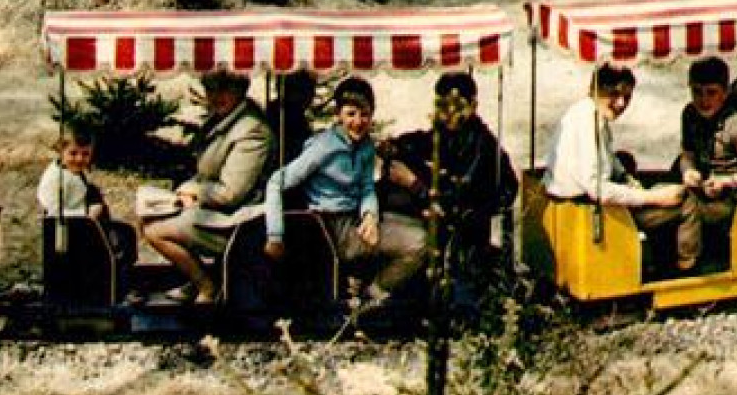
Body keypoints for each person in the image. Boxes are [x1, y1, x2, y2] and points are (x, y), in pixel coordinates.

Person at [265, 77, 427, 304]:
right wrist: (275, 235)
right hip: (331, 231)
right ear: (339, 115)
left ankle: (369, 295)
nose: (358, 122)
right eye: (351, 114)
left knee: (418, 226)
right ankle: (372, 297)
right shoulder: (323, 146)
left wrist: (369, 216)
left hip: (354, 222)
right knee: (419, 242)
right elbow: (276, 182)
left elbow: (366, 188)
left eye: (365, 115)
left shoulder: (366, 146)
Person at [543, 64, 697, 272]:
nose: (621, 103)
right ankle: (685, 268)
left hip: (576, 204)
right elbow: (597, 189)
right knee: (687, 203)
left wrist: (627, 177)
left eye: (627, 96)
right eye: (613, 94)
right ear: (595, 89)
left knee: (629, 162)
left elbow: (609, 159)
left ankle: (655, 259)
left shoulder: (588, 113)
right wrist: (654, 197)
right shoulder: (587, 123)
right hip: (591, 210)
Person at [139, 70, 272, 304]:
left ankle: (207, 286)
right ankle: (199, 277)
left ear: (240, 89)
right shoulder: (222, 119)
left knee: (154, 230)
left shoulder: (252, 130)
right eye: (211, 89)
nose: (216, 95)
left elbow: (232, 192)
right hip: (216, 209)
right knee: (147, 215)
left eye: (224, 88)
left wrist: (194, 192)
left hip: (241, 220)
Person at [380, 72, 518, 262]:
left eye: (458, 106)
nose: (450, 113)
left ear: (473, 106)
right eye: (444, 106)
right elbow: (423, 141)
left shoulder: (482, 147)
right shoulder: (450, 134)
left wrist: (413, 183)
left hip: (464, 243)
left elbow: (455, 200)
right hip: (443, 225)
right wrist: (396, 146)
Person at [677, 57, 737, 267]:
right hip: (705, 188)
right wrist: (688, 170)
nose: (703, 100)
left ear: (725, 92)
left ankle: (689, 266)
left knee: (683, 211)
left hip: (736, 199)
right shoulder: (690, 114)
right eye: (697, 92)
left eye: (711, 92)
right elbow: (687, 152)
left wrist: (727, 181)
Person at [37, 124, 137, 264]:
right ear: (61, 151)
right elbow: (53, 215)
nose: (79, 159)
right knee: (119, 242)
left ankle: (116, 269)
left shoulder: (72, 170)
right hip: (68, 230)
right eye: (73, 153)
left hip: (84, 220)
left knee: (127, 234)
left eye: (85, 154)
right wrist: (85, 213)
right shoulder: (55, 179)